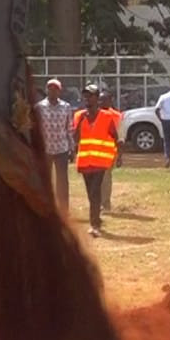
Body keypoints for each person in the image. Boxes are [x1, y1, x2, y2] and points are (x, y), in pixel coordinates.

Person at [71, 84, 121, 236]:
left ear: (97, 98)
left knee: (94, 192)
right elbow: (76, 138)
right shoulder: (79, 116)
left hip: (100, 162)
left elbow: (115, 137)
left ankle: (94, 225)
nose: (87, 98)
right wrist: (81, 122)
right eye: (85, 95)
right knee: (91, 194)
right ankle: (97, 220)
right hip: (86, 162)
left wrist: (118, 156)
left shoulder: (106, 116)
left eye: (91, 95)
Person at [34, 78, 77, 213]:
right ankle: (46, 208)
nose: (52, 91)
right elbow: (35, 129)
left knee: (62, 181)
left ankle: (63, 210)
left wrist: (72, 148)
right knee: (45, 180)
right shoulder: (39, 107)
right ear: (47, 90)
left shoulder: (66, 107)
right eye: (50, 88)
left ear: (60, 91)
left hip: (61, 149)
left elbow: (69, 128)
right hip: (45, 149)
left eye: (55, 89)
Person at [98, 90, 121, 213]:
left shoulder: (116, 115)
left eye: (104, 100)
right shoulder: (93, 114)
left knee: (105, 177)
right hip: (95, 151)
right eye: (100, 100)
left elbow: (120, 137)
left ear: (110, 101)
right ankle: (97, 202)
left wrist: (120, 155)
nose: (102, 102)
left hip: (109, 151)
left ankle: (105, 204)